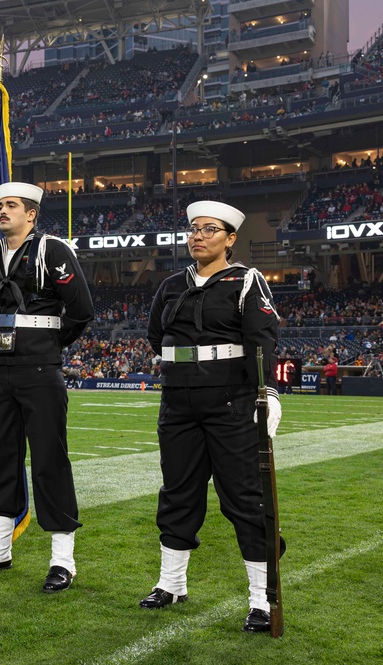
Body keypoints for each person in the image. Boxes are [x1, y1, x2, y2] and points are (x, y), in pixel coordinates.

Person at [140, 200, 283, 633]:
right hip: (178, 404)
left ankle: (261, 599)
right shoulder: (169, 285)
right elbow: (154, 337)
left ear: (230, 238)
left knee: (243, 499)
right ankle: (172, 583)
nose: (198, 235)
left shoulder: (247, 281)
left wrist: (269, 393)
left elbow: (262, 340)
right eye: (193, 229)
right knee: (178, 494)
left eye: (209, 229)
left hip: (231, 404)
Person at [0, 182, 94, 593]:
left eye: (12, 206)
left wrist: (47, 344)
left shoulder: (52, 250)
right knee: (4, 458)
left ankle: (63, 560)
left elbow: (82, 310)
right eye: (0, 206)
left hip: (39, 369)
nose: (3, 212)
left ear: (31, 213)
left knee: (50, 461)